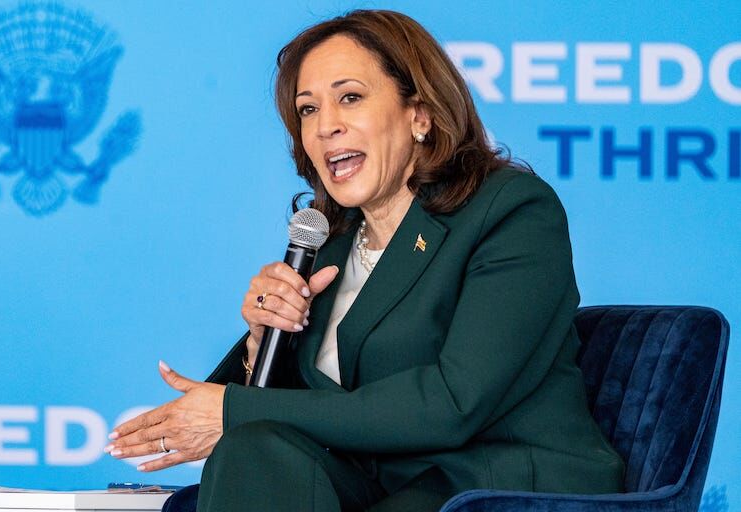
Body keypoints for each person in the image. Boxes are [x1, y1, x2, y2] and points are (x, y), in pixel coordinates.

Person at [105, 9, 625, 512]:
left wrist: (233, 409)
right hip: (383, 485)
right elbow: (290, 419)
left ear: (419, 114)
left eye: (349, 98)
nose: (325, 126)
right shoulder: (329, 243)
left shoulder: (509, 211)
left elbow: (452, 403)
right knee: (255, 449)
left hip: (489, 487)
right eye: (308, 109)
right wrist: (266, 342)